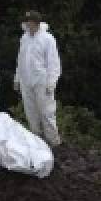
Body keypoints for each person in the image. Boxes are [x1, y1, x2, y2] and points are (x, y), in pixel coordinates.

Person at [14, 10, 62, 146]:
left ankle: (54, 143)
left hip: (42, 82)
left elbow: (54, 62)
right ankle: (38, 144)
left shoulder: (47, 39)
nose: (27, 23)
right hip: (26, 81)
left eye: (29, 21)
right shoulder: (24, 38)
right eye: (26, 21)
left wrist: (52, 82)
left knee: (47, 113)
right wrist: (17, 78)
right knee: (31, 114)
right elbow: (20, 60)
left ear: (36, 22)